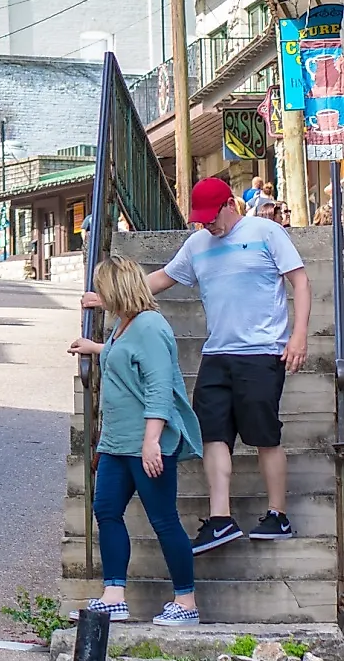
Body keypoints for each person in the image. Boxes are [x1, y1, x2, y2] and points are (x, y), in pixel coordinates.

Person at [127, 174, 311, 553]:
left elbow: (301, 282)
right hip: (216, 354)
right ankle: (220, 518)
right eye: (202, 219)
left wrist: (299, 335)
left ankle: (278, 514)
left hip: (261, 352)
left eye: (213, 216)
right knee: (212, 433)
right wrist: (114, 297)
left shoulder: (265, 231)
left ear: (231, 205)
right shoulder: (197, 244)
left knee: (264, 434)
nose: (208, 224)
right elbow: (163, 278)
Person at [73, 255, 204, 625]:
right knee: (107, 510)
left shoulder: (150, 327)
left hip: (147, 442)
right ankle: (113, 595)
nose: (99, 295)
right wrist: (95, 347)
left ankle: (186, 602)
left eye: (102, 289)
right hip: (117, 442)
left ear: (117, 290)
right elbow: (123, 357)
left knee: (163, 520)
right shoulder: (123, 324)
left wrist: (152, 441)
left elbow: (159, 388)